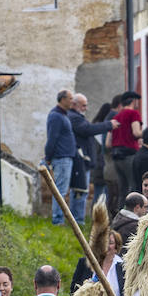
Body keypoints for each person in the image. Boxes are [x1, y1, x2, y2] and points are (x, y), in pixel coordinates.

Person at [68, 93, 116, 224]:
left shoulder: (77, 117)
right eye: (83, 105)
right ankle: (77, 220)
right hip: (81, 159)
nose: (86, 108)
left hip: (85, 160)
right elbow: (88, 129)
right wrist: (108, 125)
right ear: (74, 104)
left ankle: (77, 219)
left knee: (82, 191)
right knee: (80, 191)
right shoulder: (74, 118)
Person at [44, 89, 78, 225]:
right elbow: (52, 138)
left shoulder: (63, 115)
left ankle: (59, 219)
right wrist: (48, 156)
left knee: (62, 190)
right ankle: (57, 220)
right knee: (60, 191)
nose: (72, 101)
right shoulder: (56, 116)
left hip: (66, 157)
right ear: (62, 99)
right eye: (70, 98)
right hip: (61, 157)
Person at [108, 90, 144, 214]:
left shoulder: (116, 117)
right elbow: (136, 133)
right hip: (129, 154)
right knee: (132, 186)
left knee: (122, 188)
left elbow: (108, 142)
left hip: (116, 155)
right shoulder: (133, 113)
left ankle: (120, 214)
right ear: (134, 101)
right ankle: (131, 215)